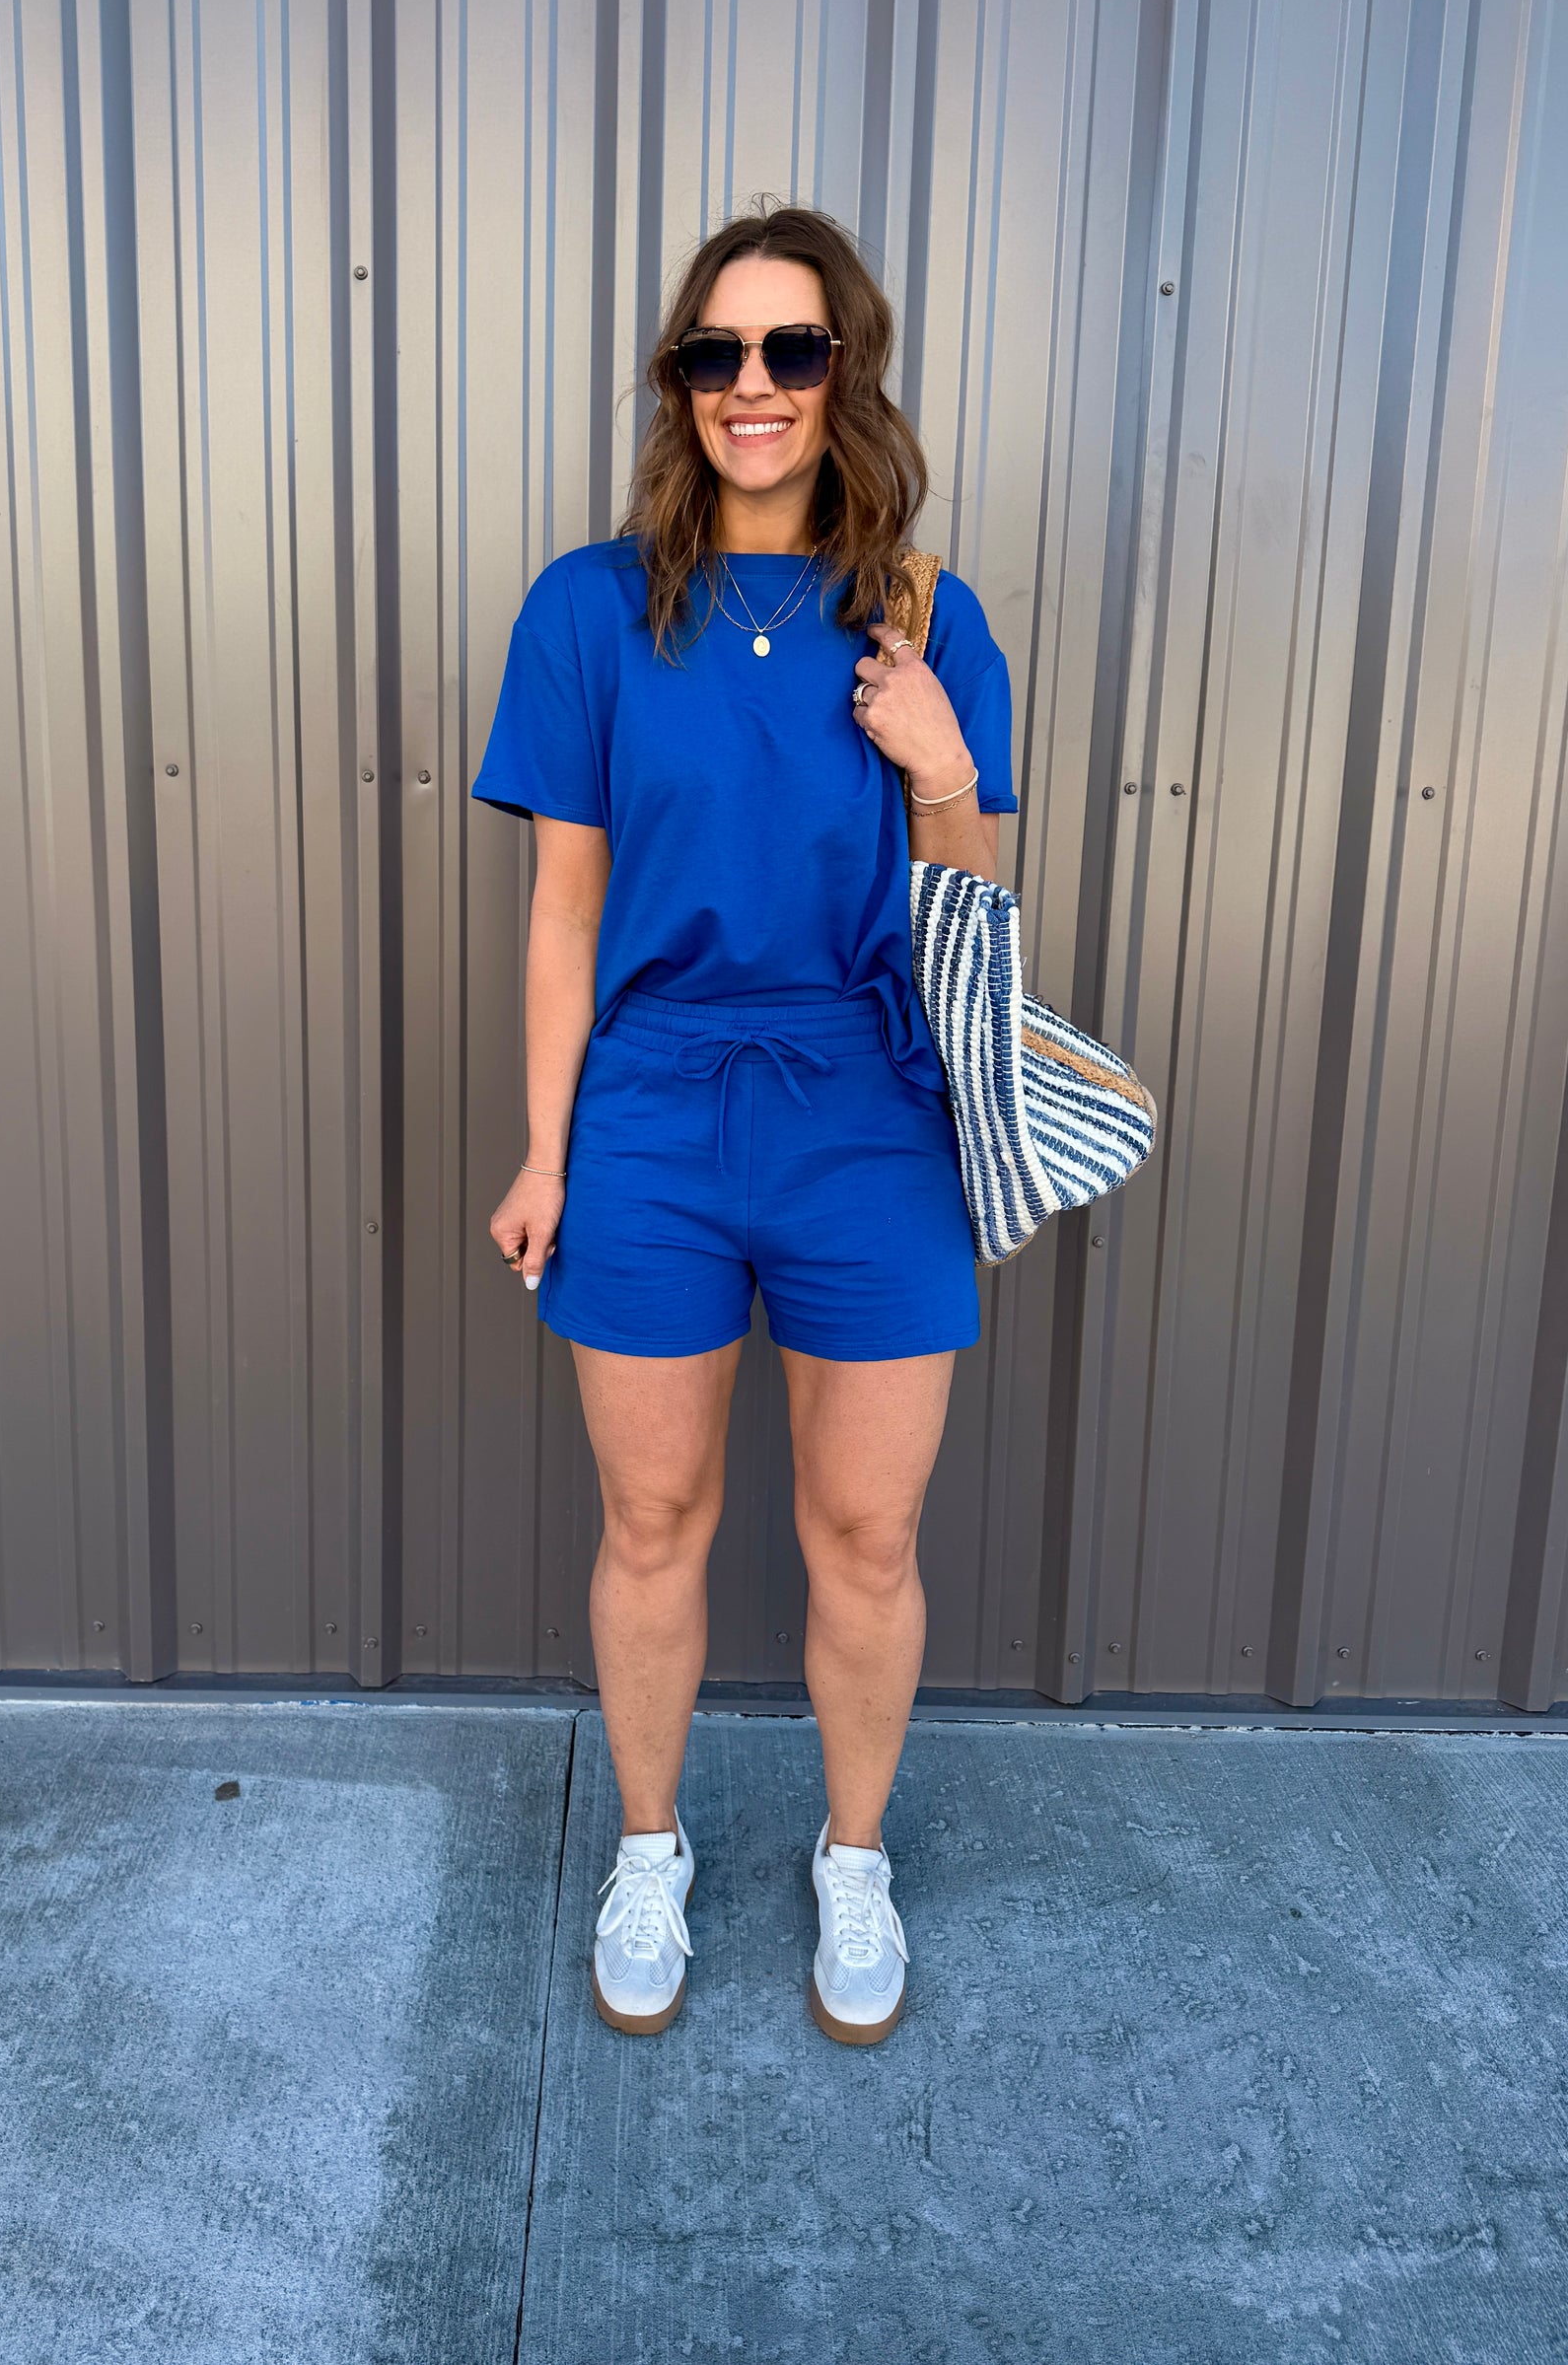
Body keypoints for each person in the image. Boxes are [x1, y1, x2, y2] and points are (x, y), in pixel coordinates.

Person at [471, 201, 1018, 2043]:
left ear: (844, 368)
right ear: (679, 383)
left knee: (864, 1534)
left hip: (868, 1110)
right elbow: (564, 910)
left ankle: (850, 1866)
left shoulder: (926, 614)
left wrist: (943, 761)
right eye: (716, 354)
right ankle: (651, 1846)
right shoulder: (591, 609)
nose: (753, 387)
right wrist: (548, 1150)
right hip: (652, 1104)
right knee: (654, 1515)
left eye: (792, 350)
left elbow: (970, 892)